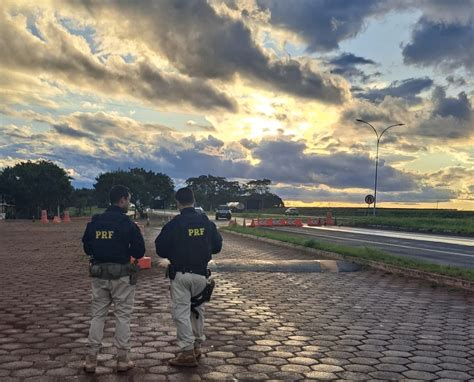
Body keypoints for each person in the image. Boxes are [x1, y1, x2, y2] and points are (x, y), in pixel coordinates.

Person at [155, 187, 222, 367]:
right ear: (194, 200)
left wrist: (175, 252)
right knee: (198, 311)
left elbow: (160, 248)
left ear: (178, 203)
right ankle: (197, 347)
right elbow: (217, 246)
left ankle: (186, 352)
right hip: (201, 274)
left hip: (180, 275)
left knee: (181, 312)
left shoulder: (175, 224)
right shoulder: (206, 222)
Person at [81, 185, 145, 373]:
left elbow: (87, 248)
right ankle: (123, 359)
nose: (129, 203)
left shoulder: (95, 221)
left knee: (97, 316)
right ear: (123, 199)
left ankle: (91, 360)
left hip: (99, 274)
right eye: (129, 199)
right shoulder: (128, 224)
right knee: (123, 317)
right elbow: (139, 252)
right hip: (122, 277)